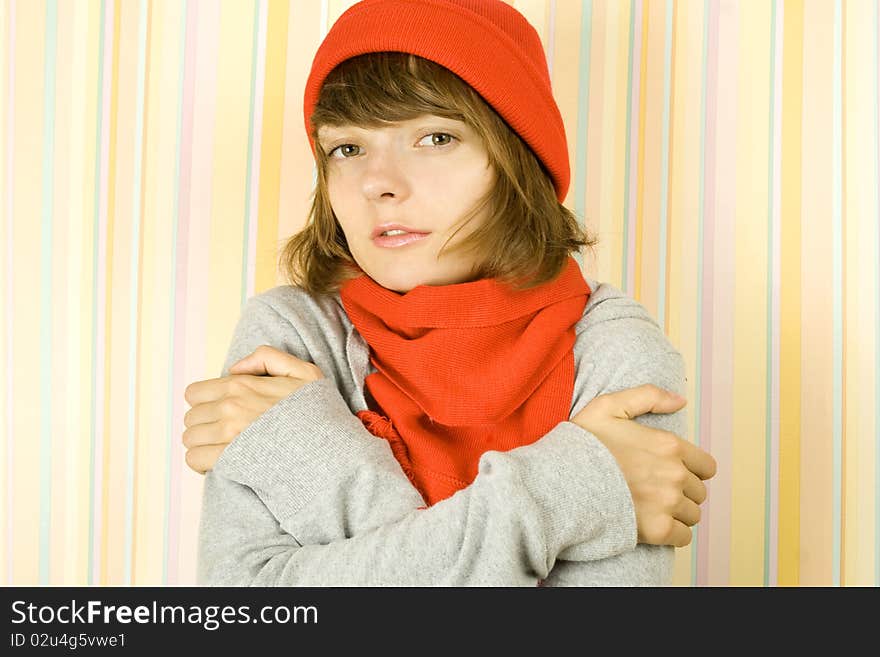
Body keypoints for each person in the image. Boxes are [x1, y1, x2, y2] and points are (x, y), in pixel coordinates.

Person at [184, 0, 717, 586]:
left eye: (435, 137)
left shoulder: (617, 352)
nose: (379, 183)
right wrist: (571, 490)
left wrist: (312, 457)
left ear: (516, 158)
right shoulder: (290, 334)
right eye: (348, 148)